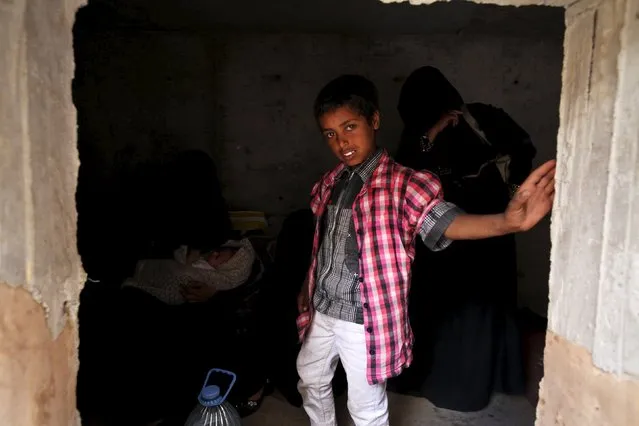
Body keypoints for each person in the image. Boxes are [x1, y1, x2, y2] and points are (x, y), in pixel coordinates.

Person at [295, 75, 555, 426]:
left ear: (374, 120)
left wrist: (506, 223)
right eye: (330, 134)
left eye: (350, 126)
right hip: (323, 308)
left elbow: (445, 222)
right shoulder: (331, 183)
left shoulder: (403, 183)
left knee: (365, 407)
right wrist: (307, 288)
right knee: (311, 380)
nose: (342, 142)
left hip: (363, 318)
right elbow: (324, 244)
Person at [389, 66, 537, 411]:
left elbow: (521, 154)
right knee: (440, 312)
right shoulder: (417, 136)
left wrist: (514, 197)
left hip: (489, 233)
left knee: (480, 311)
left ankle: (475, 383)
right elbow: (403, 179)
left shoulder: (484, 119)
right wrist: (427, 139)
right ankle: (433, 379)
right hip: (440, 243)